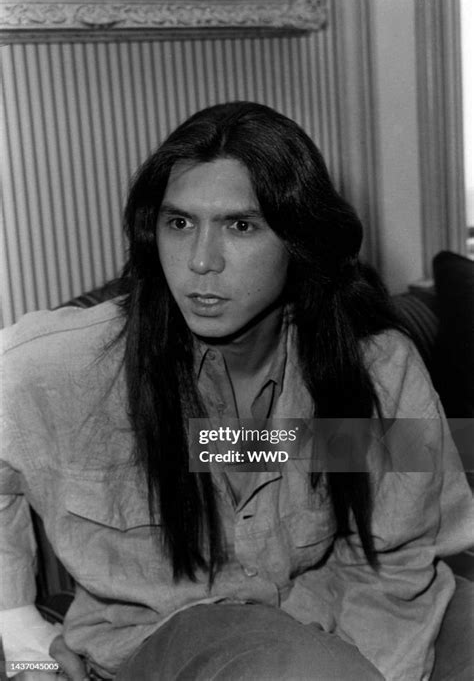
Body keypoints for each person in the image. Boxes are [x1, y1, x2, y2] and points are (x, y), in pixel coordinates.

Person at [1, 101, 473, 681]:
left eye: (240, 226)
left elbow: (397, 554)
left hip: (328, 607)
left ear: (300, 240)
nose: (201, 261)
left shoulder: (371, 364)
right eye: (179, 223)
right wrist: (18, 622)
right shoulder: (63, 368)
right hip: (166, 636)